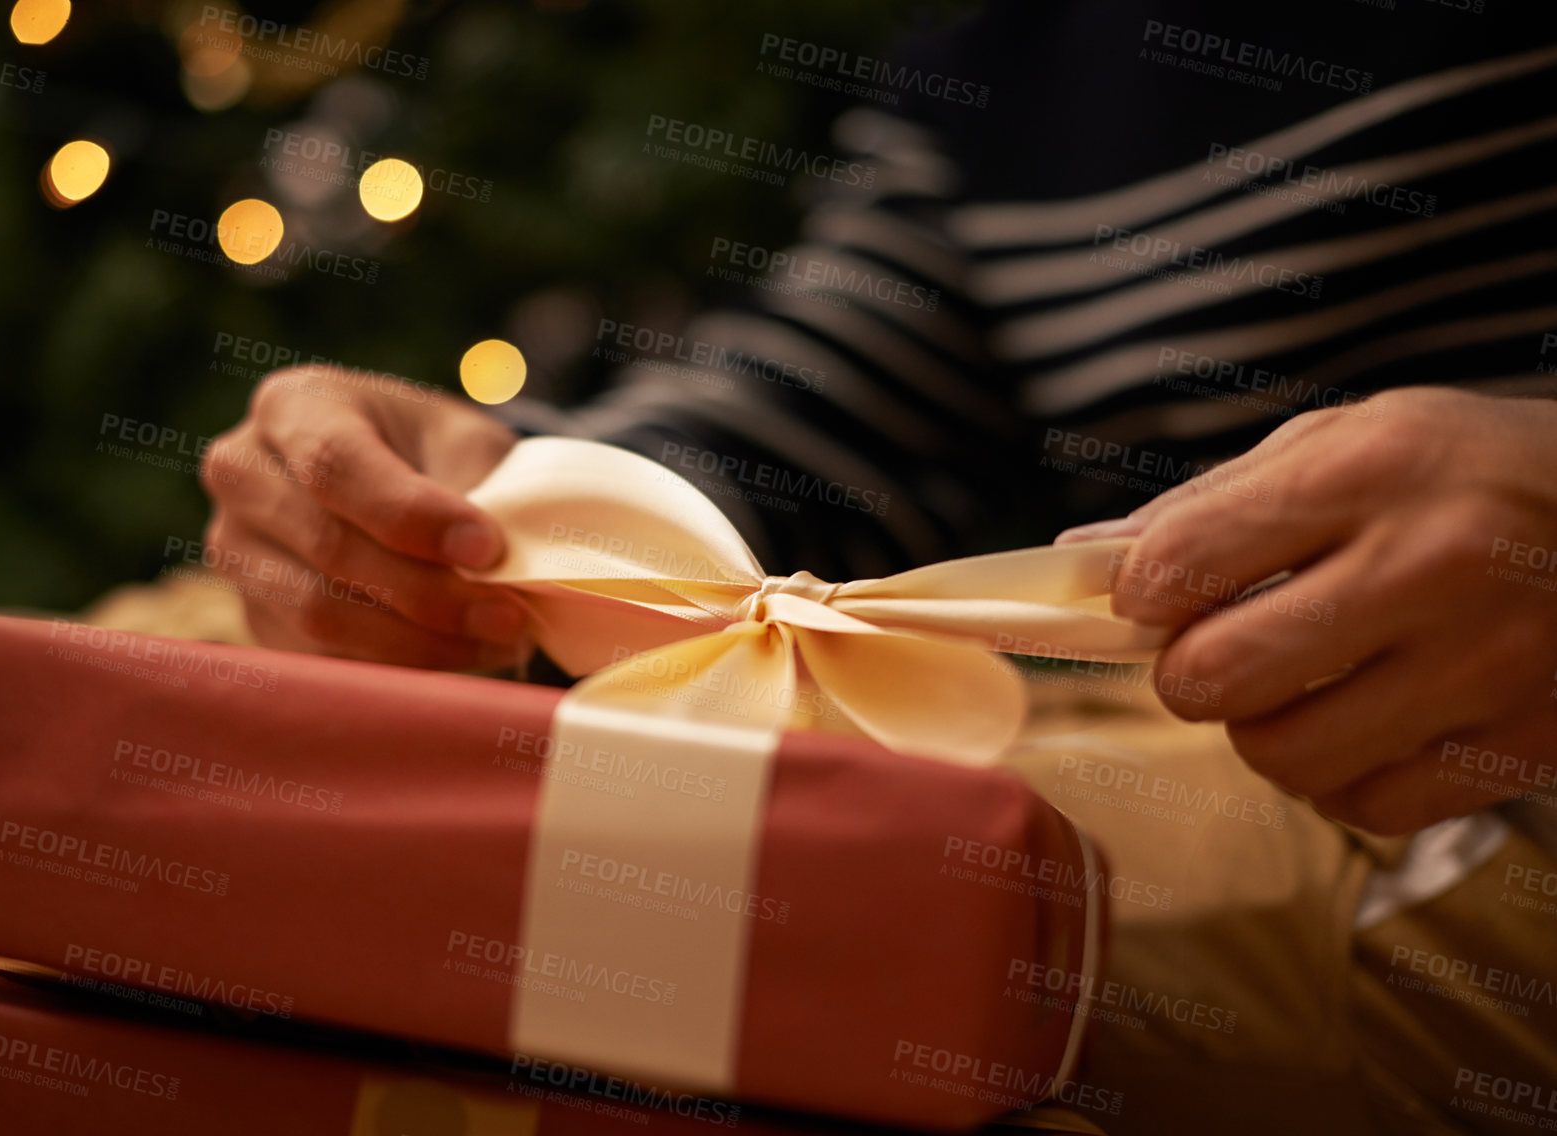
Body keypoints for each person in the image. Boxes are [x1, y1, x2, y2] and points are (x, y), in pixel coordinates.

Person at [201, 1, 1557, 840]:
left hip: (1441, 867)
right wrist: (510, 505)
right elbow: (836, 403)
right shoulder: (1011, 62)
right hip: (1227, 780)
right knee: (190, 648)